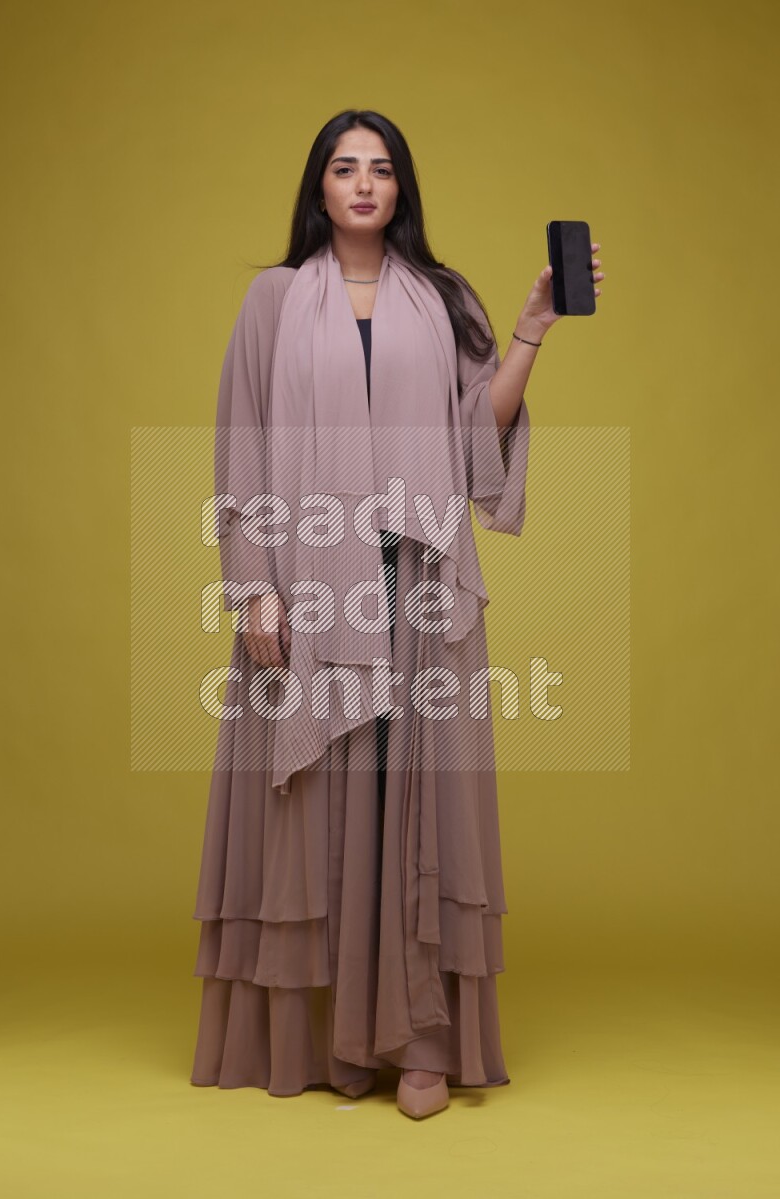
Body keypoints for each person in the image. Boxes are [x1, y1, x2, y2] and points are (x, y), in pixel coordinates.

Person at [190, 108, 604, 1119]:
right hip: (308, 580)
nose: (363, 184)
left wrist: (528, 332)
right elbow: (241, 445)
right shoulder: (272, 300)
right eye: (344, 168)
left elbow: (475, 441)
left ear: (400, 188)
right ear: (319, 187)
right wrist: (254, 582)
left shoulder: (439, 298)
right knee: (319, 808)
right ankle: (333, 1036)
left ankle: (419, 1042)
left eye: (380, 169)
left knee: (419, 810)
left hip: (417, 582)